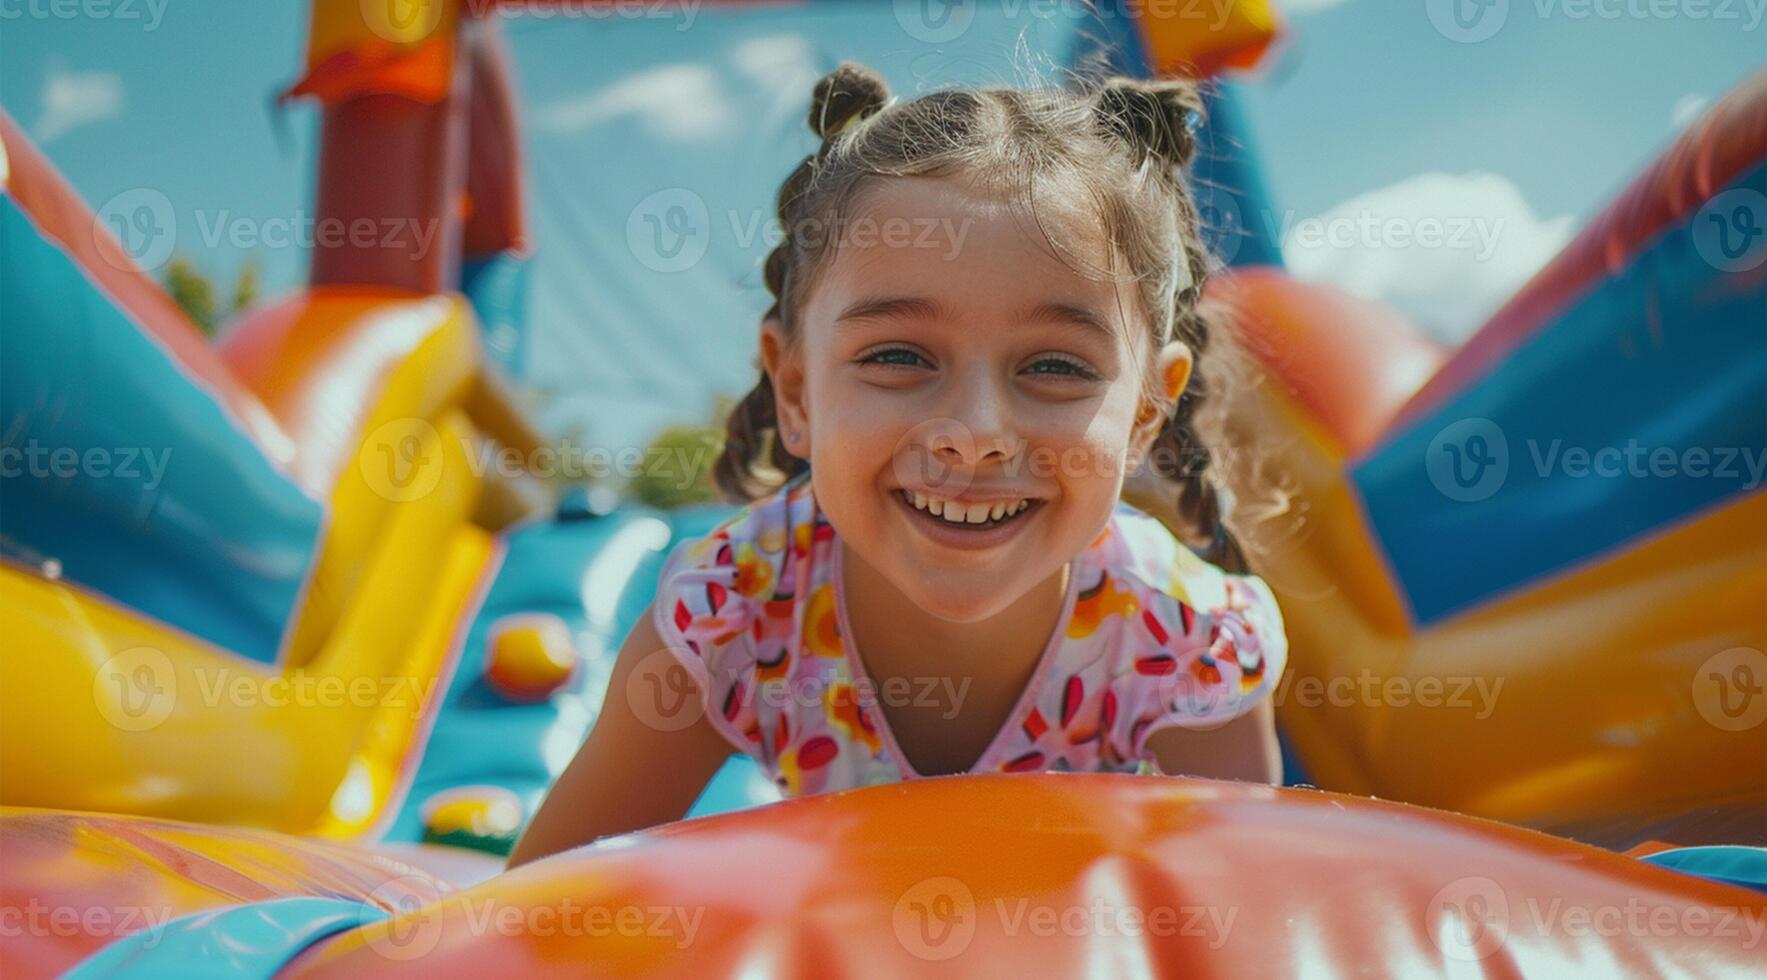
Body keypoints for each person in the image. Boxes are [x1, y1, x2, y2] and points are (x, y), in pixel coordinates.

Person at [509, 63, 1287, 868]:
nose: (975, 434)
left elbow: (1238, 921)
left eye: (1055, 366)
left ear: (1145, 414)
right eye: (897, 355)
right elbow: (537, 912)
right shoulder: (731, 616)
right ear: (798, 391)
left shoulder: (1186, 643)